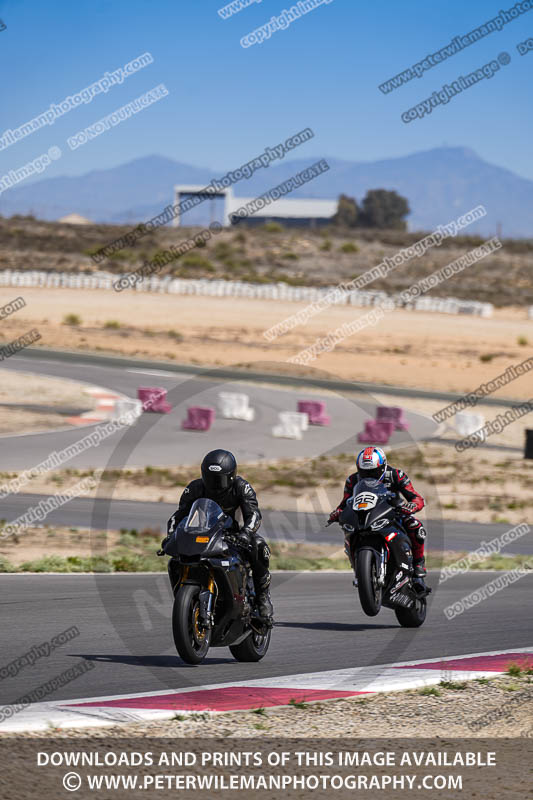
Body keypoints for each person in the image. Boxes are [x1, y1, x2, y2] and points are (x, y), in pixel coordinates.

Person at [163, 449, 273, 624]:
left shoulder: (241, 487)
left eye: (219, 479)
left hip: (236, 535)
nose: (214, 484)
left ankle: (262, 598)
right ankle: (189, 600)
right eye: (210, 478)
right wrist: (172, 535)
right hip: (206, 533)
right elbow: (179, 516)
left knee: (259, 546)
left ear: (231, 476)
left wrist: (246, 534)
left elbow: (254, 515)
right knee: (177, 558)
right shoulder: (195, 488)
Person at [328, 446, 427, 588]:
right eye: (364, 472)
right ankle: (360, 571)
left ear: (382, 466)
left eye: (373, 472)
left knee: (416, 527)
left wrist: (411, 506)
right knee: (348, 531)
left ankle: (418, 565)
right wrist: (337, 513)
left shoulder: (396, 475)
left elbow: (416, 497)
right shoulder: (352, 480)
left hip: (392, 513)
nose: (368, 475)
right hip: (364, 515)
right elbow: (345, 503)